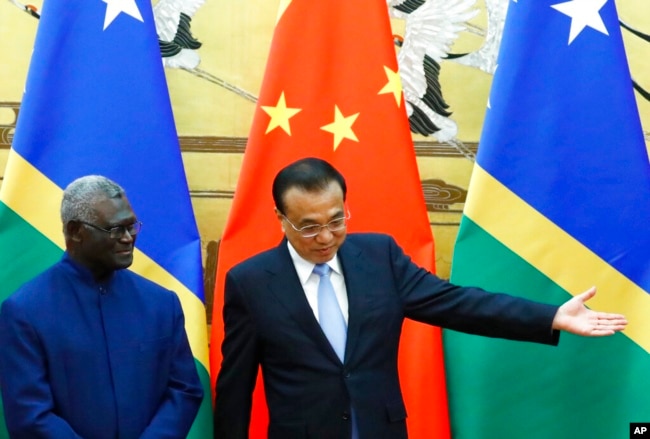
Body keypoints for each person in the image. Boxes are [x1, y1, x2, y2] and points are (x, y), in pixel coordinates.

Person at [213, 157, 627, 439]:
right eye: (308, 226)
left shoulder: (379, 257)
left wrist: (551, 316)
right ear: (281, 220)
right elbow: (236, 387)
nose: (325, 237)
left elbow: (459, 303)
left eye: (336, 220)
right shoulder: (251, 282)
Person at [0, 175, 203, 438]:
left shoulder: (162, 304)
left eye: (131, 226)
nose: (128, 238)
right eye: (115, 229)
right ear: (75, 231)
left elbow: (184, 389)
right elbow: (29, 414)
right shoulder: (24, 311)